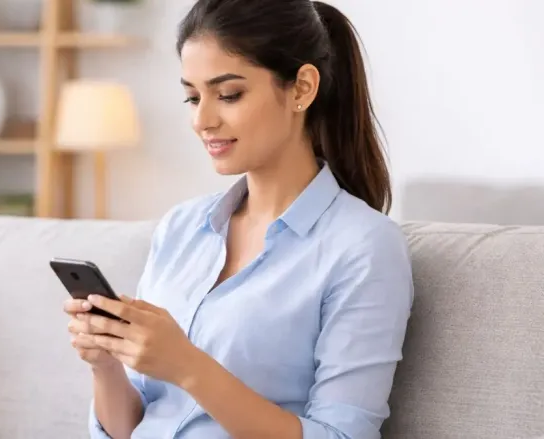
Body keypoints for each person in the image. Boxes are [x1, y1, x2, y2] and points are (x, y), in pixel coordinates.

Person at [63, 0, 414, 437]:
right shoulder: (181, 228)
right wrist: (107, 366)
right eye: (193, 96)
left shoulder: (362, 246)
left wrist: (189, 367)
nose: (202, 120)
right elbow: (129, 428)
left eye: (228, 94)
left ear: (302, 88)